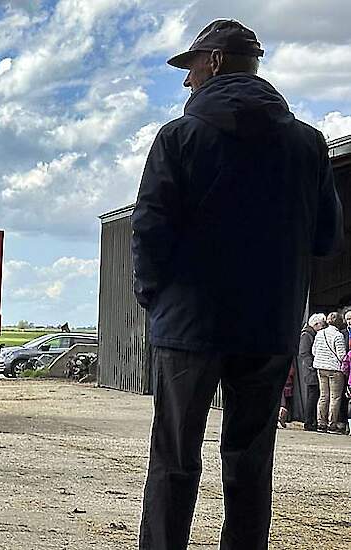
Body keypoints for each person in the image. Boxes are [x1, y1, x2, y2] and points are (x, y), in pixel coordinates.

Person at [130, 19, 343, 550]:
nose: (187, 81)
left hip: (188, 325)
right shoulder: (308, 144)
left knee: (175, 459)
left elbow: (149, 228)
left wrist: (154, 299)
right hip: (268, 327)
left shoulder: (179, 137)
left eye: (191, 67)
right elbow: (327, 238)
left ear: (217, 61)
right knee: (250, 463)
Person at [313, 312, 348, 434]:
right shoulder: (338, 335)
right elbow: (342, 355)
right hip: (335, 370)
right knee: (335, 397)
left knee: (323, 396)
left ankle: (320, 423)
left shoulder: (319, 333)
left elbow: (314, 351)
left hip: (320, 368)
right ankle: (331, 425)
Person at [298, 314, 326, 431]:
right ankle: (308, 422)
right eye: (322, 325)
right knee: (312, 396)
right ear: (315, 324)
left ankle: (311, 421)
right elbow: (304, 353)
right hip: (310, 371)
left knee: (314, 395)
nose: (323, 328)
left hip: (312, 369)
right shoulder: (306, 335)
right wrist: (312, 366)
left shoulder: (310, 334)